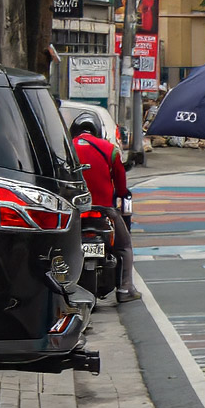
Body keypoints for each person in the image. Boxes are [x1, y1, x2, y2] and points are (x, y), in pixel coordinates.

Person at [71, 113, 135, 302]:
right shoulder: (110, 149)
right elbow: (121, 184)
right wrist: (123, 195)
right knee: (124, 246)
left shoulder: (66, 149)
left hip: (75, 211)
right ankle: (125, 289)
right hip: (104, 210)